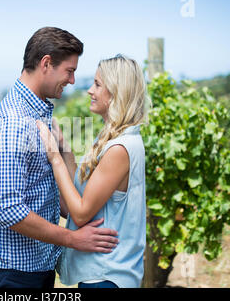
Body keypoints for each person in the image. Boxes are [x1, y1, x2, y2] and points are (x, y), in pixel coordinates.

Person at [0, 27, 120, 289]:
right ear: (46, 64)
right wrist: (73, 239)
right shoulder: (15, 123)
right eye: (70, 71)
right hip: (15, 269)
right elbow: (10, 210)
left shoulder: (38, 113)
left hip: (33, 262)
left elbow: (42, 188)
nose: (73, 81)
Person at [37, 54, 150, 288]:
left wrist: (55, 158)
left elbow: (79, 213)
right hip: (103, 274)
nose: (89, 90)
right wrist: (64, 147)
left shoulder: (120, 148)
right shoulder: (114, 138)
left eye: (98, 84)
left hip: (106, 276)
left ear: (116, 92)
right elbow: (83, 191)